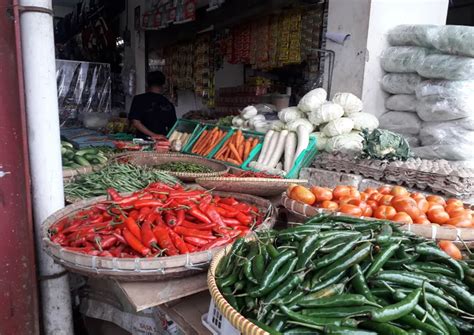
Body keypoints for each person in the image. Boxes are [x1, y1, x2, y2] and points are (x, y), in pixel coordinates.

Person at [129, 71, 177, 139]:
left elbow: (136, 122)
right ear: (163, 84)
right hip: (162, 143)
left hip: (142, 142)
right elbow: (173, 128)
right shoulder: (168, 104)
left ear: (147, 83)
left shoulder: (139, 99)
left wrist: (153, 135)